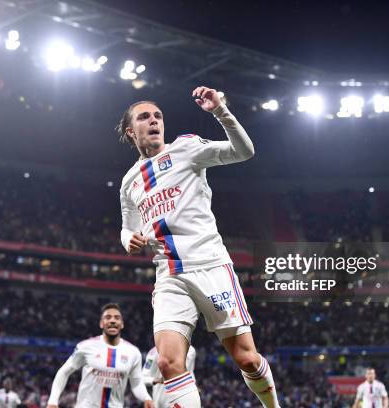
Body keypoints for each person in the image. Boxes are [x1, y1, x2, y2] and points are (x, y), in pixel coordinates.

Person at [118, 86, 279, 407]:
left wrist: (220, 111)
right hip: (169, 277)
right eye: (144, 117)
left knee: (246, 358)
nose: (154, 121)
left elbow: (243, 151)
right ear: (130, 130)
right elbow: (127, 226)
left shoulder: (187, 149)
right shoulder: (129, 181)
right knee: (167, 363)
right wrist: (128, 240)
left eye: (158, 116)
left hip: (210, 267)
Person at [46, 303, 153, 408]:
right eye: (108, 317)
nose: (112, 320)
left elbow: (137, 383)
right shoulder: (85, 346)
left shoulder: (133, 352)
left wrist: (146, 398)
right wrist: (53, 401)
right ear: (101, 323)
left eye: (116, 318)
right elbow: (64, 372)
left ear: (122, 324)